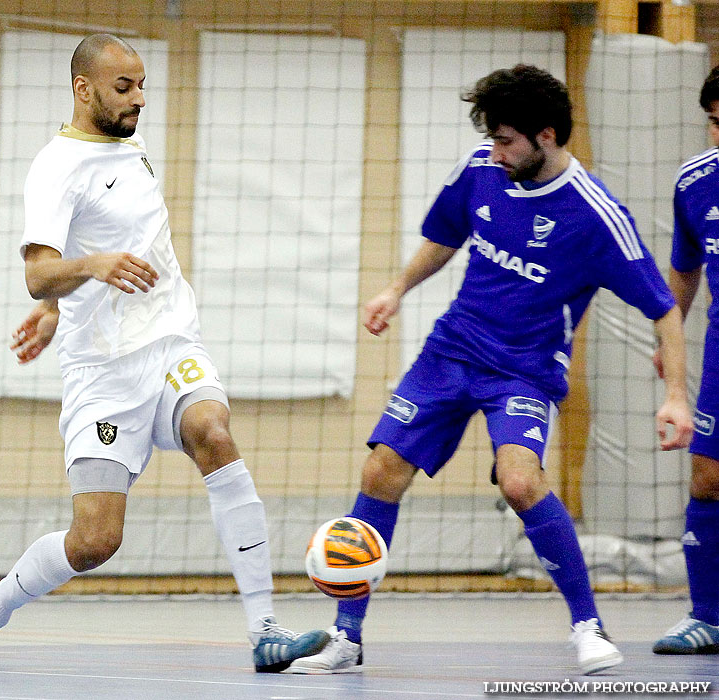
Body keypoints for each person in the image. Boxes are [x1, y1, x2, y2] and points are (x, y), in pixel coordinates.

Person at [0, 33, 328, 673]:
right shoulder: (55, 167)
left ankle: (265, 629)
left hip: (168, 344)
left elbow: (103, 244)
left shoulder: (126, 142)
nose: (138, 100)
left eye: (141, 86)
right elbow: (38, 272)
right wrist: (80, 279)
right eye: (123, 88)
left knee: (212, 430)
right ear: (84, 89)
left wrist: (57, 307)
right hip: (103, 375)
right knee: (95, 542)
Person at [284, 64, 693, 676]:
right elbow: (446, 236)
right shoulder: (482, 168)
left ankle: (588, 627)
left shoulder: (597, 217)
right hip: (451, 350)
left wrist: (677, 396)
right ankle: (348, 638)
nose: (495, 151)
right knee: (381, 468)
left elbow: (664, 308)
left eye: (507, 140)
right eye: (493, 139)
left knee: (521, 482)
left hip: (523, 373)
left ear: (547, 137)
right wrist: (396, 288)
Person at [652, 66, 719, 655]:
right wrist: (668, 337)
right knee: (709, 477)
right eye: (716, 123)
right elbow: (686, 265)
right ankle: (708, 615)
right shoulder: (696, 181)